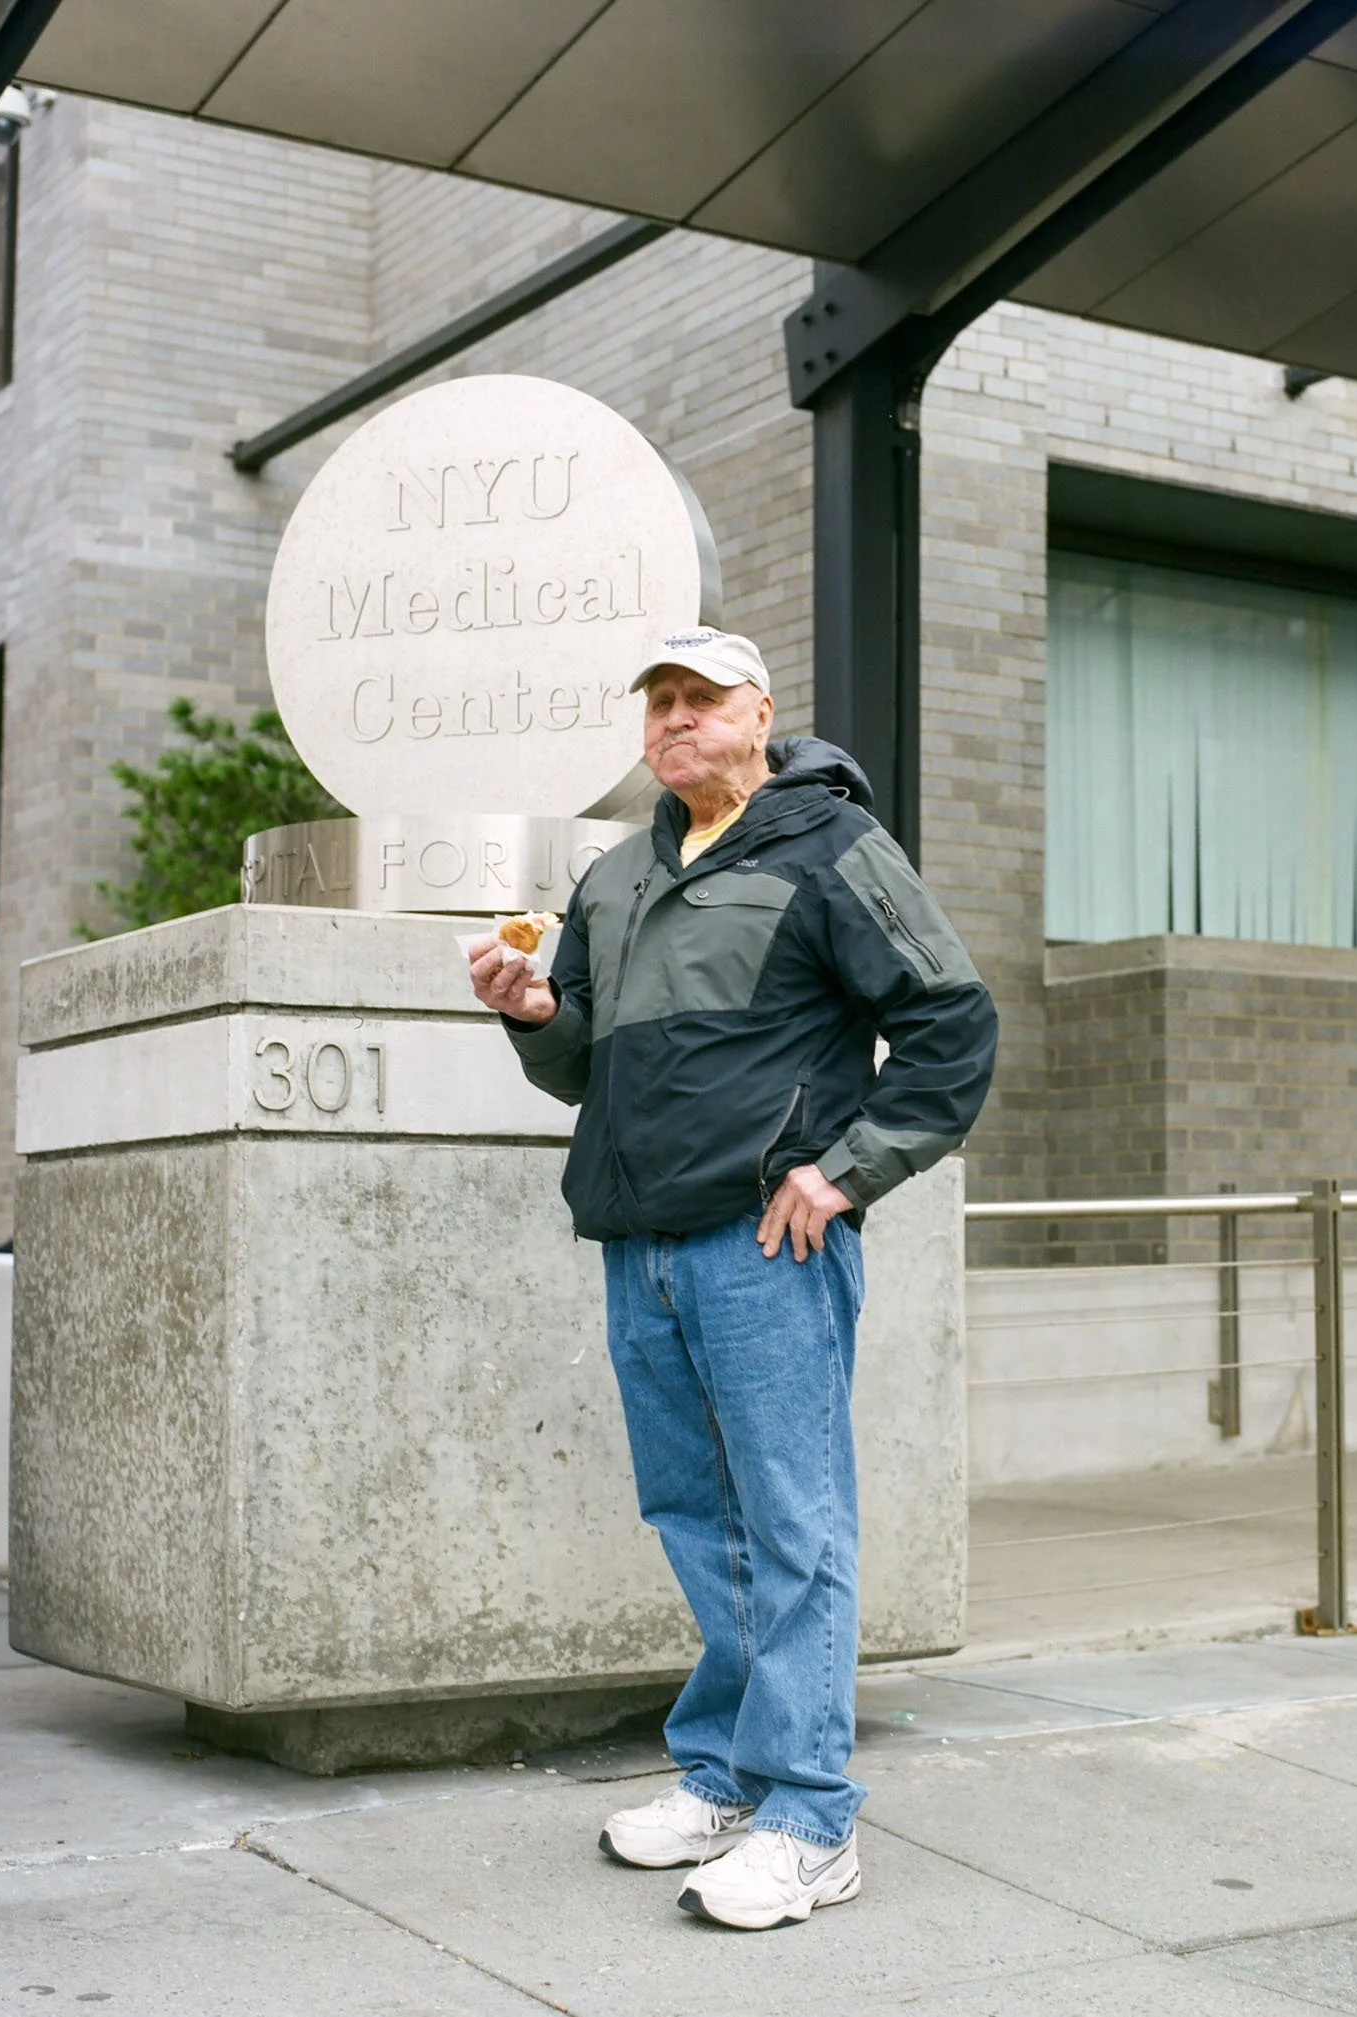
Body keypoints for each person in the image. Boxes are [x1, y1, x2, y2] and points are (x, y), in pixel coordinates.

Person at [469, 627, 997, 1931]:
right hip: (639, 1243)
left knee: (790, 1523)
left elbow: (952, 1022)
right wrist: (532, 1014)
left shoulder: (830, 846)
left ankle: (812, 1820)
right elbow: (585, 1064)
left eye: (700, 698)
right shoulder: (613, 878)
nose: (674, 719)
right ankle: (726, 1777)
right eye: (658, 701)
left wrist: (846, 1172)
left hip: (768, 1245)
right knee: (697, 1517)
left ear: (759, 714)